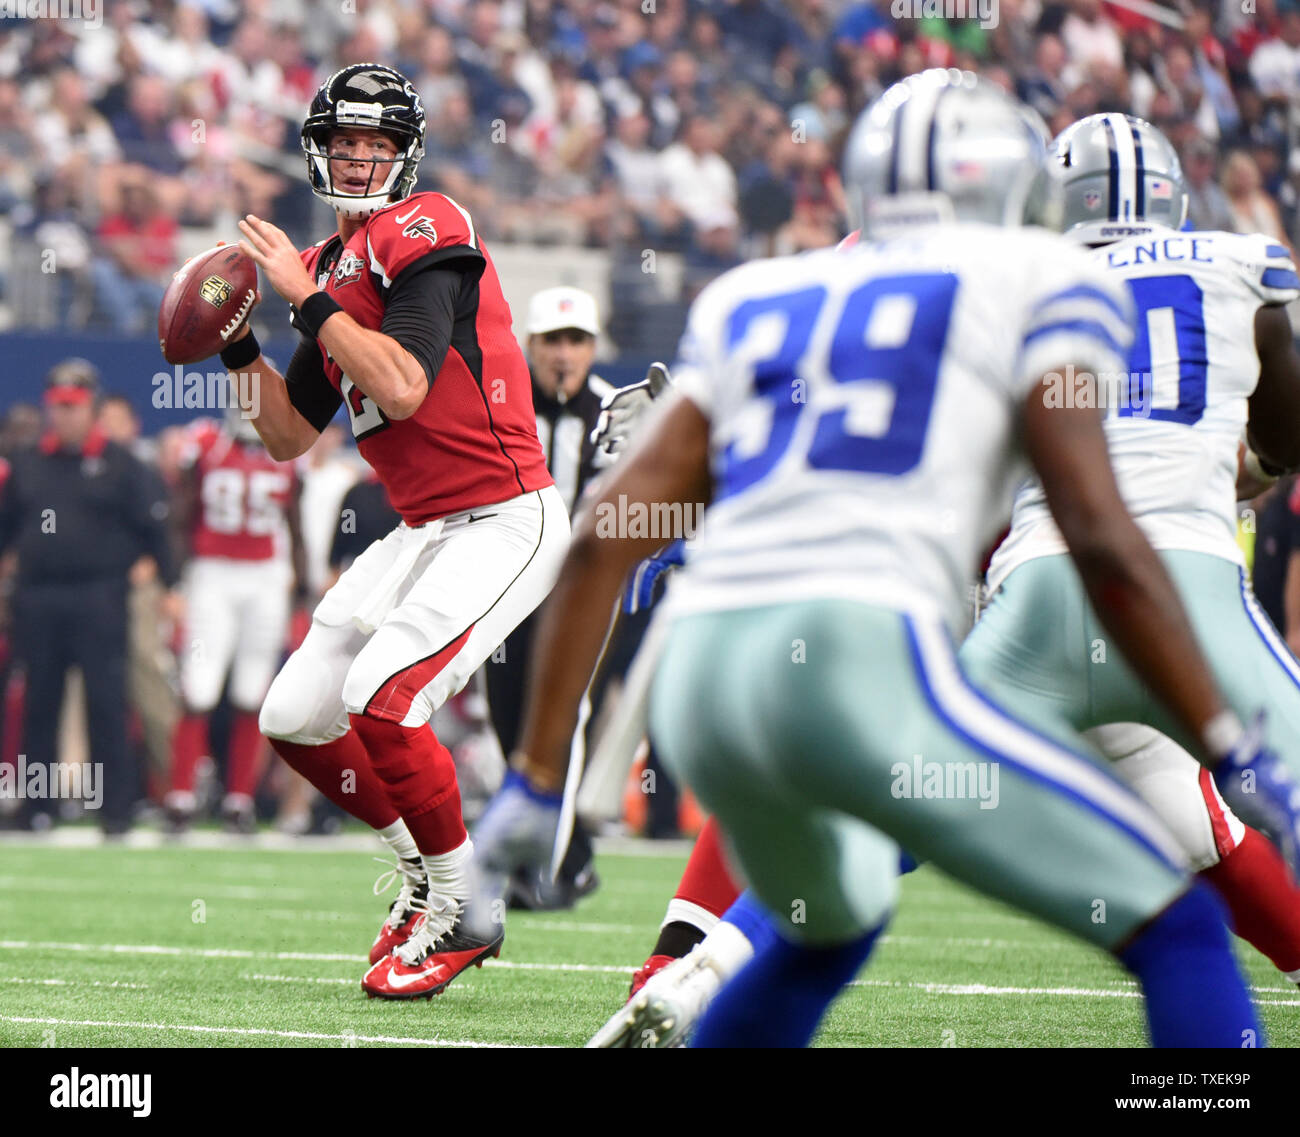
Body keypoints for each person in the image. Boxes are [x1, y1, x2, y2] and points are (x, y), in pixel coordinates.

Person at [470, 71, 1300, 1048]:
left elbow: (602, 536)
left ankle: (684, 976)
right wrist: (1227, 731)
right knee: (1179, 932)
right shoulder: (1034, 285)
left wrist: (531, 781)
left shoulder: (756, 292)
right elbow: (1100, 529)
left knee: (831, 920)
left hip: (702, 676)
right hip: (878, 642)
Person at [213, 63, 566, 999]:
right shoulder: (330, 271)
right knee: (293, 713)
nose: (359, 160)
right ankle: (423, 871)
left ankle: (467, 900)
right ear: (317, 152)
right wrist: (239, 345)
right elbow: (288, 435)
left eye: (376, 145)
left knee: (383, 697)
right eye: (344, 144)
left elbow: (405, 385)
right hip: (423, 529)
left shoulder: (427, 227)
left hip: (503, 512)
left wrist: (305, 300)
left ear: (405, 156)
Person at [0, 360, 180, 835]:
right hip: (39, 597)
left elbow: (155, 527)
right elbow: (7, 528)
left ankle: (116, 809)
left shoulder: (123, 466)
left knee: (107, 700)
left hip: (101, 594)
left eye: (73, 408)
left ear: (93, 410)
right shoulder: (28, 461)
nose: (64, 416)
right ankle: (37, 807)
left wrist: (168, 582)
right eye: (57, 407)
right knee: (40, 701)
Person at [484, 284, 611, 909]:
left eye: (577, 340)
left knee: (568, 720)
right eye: (553, 340)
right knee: (511, 723)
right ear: (529, 345)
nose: (565, 354)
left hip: (580, 591)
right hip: (507, 585)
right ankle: (567, 854)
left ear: (592, 348)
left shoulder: (617, 411)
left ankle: (549, 865)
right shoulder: (496, 398)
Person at [164, 408, 305, 834]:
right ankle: (181, 796)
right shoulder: (207, 445)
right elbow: (180, 516)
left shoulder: (286, 451)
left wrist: (301, 593)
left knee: (251, 690)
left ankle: (239, 800)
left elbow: (295, 528)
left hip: (264, 577)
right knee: (199, 686)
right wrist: (176, 582)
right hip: (213, 573)